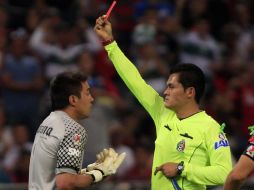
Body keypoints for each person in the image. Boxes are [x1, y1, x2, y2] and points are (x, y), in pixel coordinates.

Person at [94, 16, 232, 190]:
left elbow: (225, 173)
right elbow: (134, 80)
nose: (165, 92)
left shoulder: (210, 127)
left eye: (172, 87)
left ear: (190, 92)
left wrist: (182, 169)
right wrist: (109, 43)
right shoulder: (162, 112)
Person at [29, 72, 125, 190]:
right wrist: (100, 173)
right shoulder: (73, 130)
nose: (92, 98)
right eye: (87, 93)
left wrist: (92, 170)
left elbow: (60, 175)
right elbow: (65, 183)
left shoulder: (49, 121)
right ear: (73, 99)